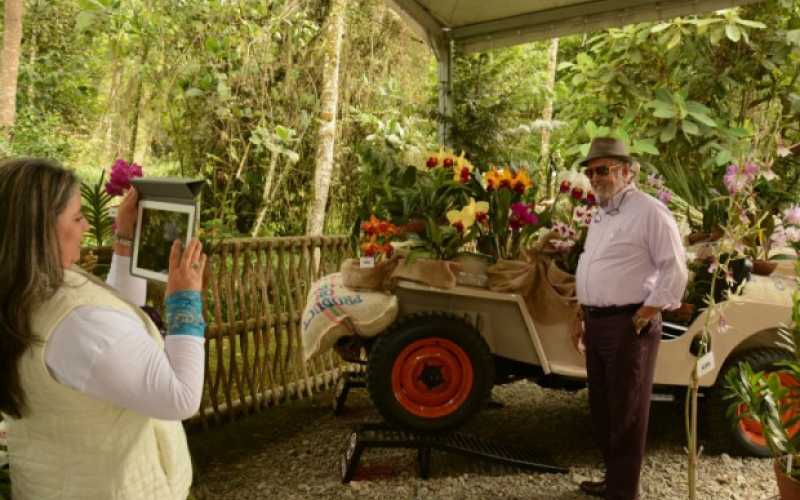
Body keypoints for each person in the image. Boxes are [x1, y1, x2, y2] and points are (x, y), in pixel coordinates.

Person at [0, 158, 207, 500]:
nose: (86, 226)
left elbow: (111, 331)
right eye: (77, 217)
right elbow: (181, 397)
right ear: (39, 229)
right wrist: (185, 302)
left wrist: (125, 244)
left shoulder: (24, 291)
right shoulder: (77, 326)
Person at [573, 138, 688, 500]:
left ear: (627, 171)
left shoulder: (649, 211)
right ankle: (614, 481)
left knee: (627, 410)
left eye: (602, 170)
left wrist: (645, 314)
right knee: (603, 408)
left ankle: (623, 492)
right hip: (598, 322)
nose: (595, 177)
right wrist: (584, 313)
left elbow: (675, 269)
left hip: (628, 323)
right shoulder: (601, 213)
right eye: (590, 171)